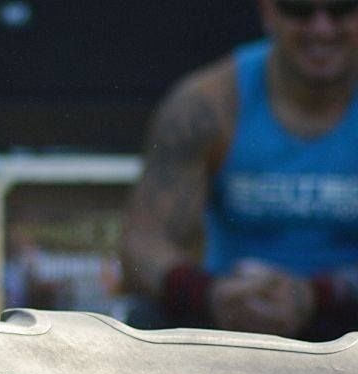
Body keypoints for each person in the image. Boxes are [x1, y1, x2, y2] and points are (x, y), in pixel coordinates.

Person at [121, 0, 358, 341]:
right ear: (269, 12)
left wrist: (318, 296)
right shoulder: (207, 105)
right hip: (232, 319)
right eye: (300, 10)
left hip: (346, 318)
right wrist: (210, 294)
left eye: (341, 10)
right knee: (145, 318)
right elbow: (143, 244)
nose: (322, 29)